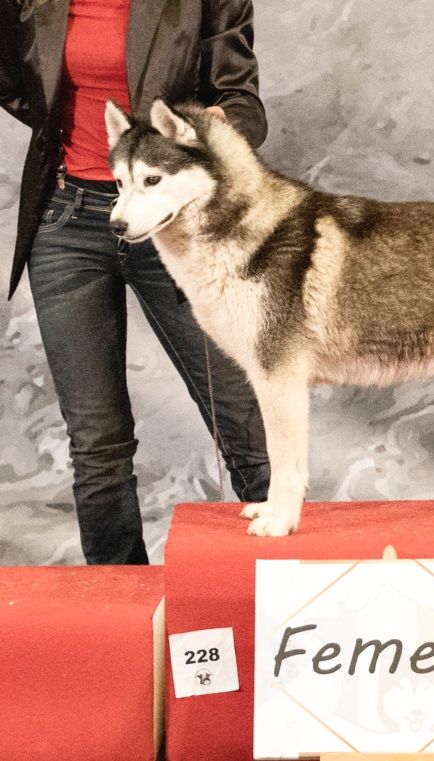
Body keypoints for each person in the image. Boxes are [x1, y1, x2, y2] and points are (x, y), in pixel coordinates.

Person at [0, 0, 271, 564]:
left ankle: (289, 582)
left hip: (176, 224)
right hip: (67, 221)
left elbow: (241, 100)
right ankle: (122, 597)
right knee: (97, 445)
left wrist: (217, 132)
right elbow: (16, 84)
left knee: (243, 418)